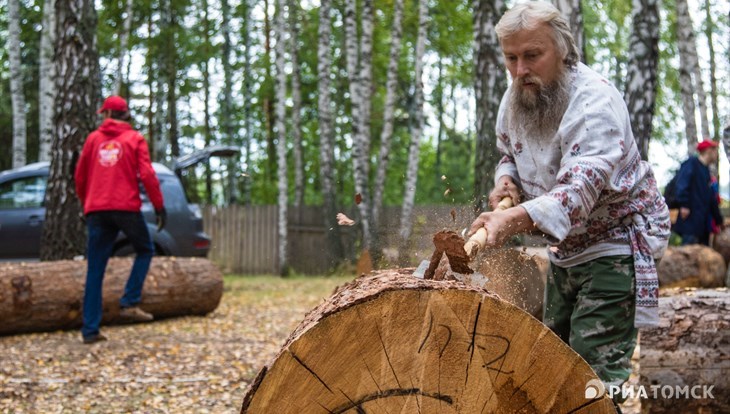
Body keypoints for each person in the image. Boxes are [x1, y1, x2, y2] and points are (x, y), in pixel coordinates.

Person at [467, 1, 670, 406]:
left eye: (532, 55)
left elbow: (576, 194)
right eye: (511, 58)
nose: (520, 70)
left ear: (563, 49)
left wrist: (510, 218)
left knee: (590, 377)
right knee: (552, 359)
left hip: (618, 242)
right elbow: (508, 151)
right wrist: (505, 181)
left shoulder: (594, 103)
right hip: (567, 250)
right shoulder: (515, 99)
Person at [75, 95, 167, 344]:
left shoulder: (93, 140)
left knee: (95, 269)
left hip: (97, 210)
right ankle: (128, 302)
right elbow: (147, 174)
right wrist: (159, 207)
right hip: (126, 207)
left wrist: (88, 204)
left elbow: (80, 176)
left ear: (106, 114)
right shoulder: (134, 138)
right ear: (125, 115)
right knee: (145, 249)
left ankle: (90, 330)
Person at [672, 139, 724, 246]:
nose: (717, 154)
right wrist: (684, 205)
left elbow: (711, 199)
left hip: (703, 226)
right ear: (709, 151)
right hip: (691, 223)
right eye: (715, 151)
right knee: (688, 257)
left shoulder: (706, 171)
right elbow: (682, 185)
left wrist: (718, 220)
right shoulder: (692, 163)